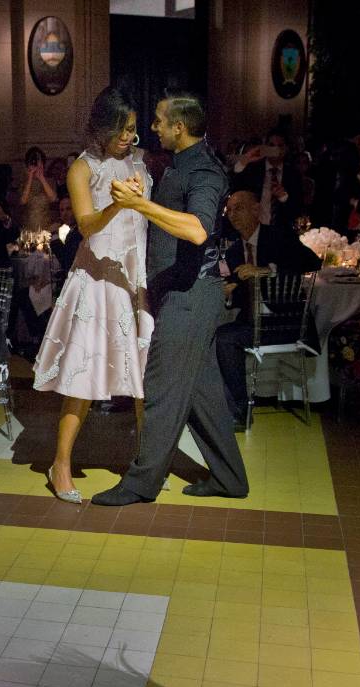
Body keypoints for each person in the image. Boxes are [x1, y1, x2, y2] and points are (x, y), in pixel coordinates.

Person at [92, 89, 249, 506]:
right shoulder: (182, 165)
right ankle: (231, 479)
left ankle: (140, 483)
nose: (154, 127)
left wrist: (141, 204)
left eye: (160, 120)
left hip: (192, 297)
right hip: (184, 295)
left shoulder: (204, 172)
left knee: (159, 388)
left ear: (179, 127)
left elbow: (197, 229)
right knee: (203, 393)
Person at [32, 87, 153, 503]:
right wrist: (119, 204)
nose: (128, 138)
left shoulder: (139, 162)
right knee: (82, 378)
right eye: (121, 130)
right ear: (101, 128)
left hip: (135, 278)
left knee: (143, 378)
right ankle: (61, 463)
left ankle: (146, 464)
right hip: (99, 281)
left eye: (133, 130)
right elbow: (86, 225)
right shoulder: (82, 169)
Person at [214, 190, 321, 427]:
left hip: (286, 323)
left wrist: (266, 270)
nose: (232, 215)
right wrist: (228, 292)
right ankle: (231, 408)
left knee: (225, 337)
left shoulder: (278, 236)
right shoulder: (233, 252)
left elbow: (313, 263)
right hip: (254, 323)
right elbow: (236, 294)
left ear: (255, 210)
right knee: (219, 335)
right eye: (229, 210)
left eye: (238, 208)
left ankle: (240, 412)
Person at [231, 129, 303, 228]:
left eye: (280, 145)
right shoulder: (253, 170)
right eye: (271, 145)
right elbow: (235, 188)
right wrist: (245, 159)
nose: (275, 149)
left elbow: (298, 209)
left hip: (281, 232)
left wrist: (284, 197)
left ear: (286, 148)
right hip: (254, 228)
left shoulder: (293, 175)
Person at [18, 146, 58, 232]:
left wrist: (41, 178)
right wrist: (30, 177)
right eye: (33, 163)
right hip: (29, 228)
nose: (36, 165)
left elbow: (53, 199)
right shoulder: (24, 183)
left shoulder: (50, 181)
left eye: (39, 162)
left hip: (47, 228)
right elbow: (23, 201)